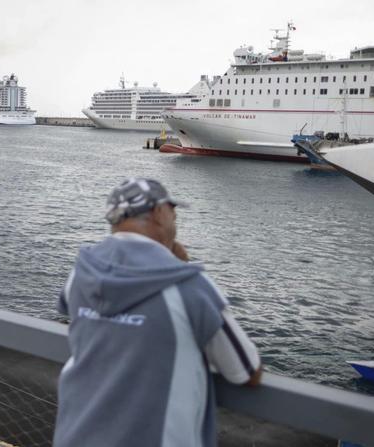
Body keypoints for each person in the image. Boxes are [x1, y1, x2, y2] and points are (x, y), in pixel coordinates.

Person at [53, 178, 262, 447]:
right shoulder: (189, 285)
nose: (175, 219)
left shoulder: (81, 272)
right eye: (173, 211)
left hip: (76, 435)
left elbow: (78, 309)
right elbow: (246, 370)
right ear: (158, 213)